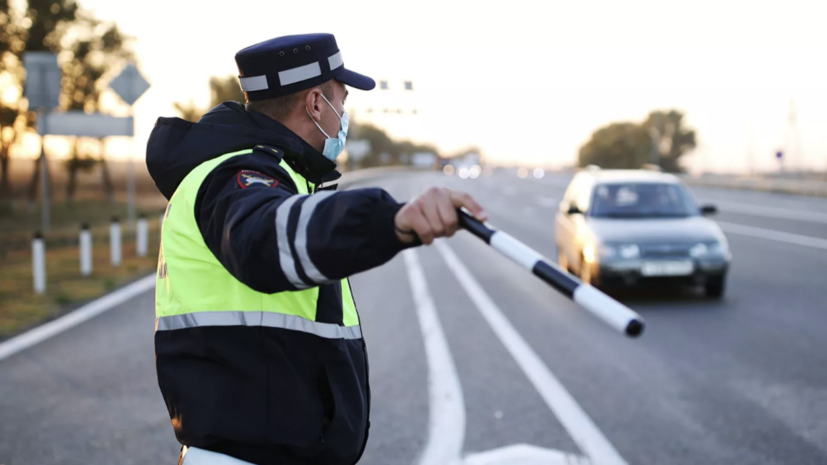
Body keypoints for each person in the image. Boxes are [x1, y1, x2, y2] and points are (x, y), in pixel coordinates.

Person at [145, 33, 487, 465]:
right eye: (342, 101)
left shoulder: (275, 175)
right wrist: (390, 221)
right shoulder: (236, 177)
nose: (345, 116)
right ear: (315, 104)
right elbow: (264, 239)